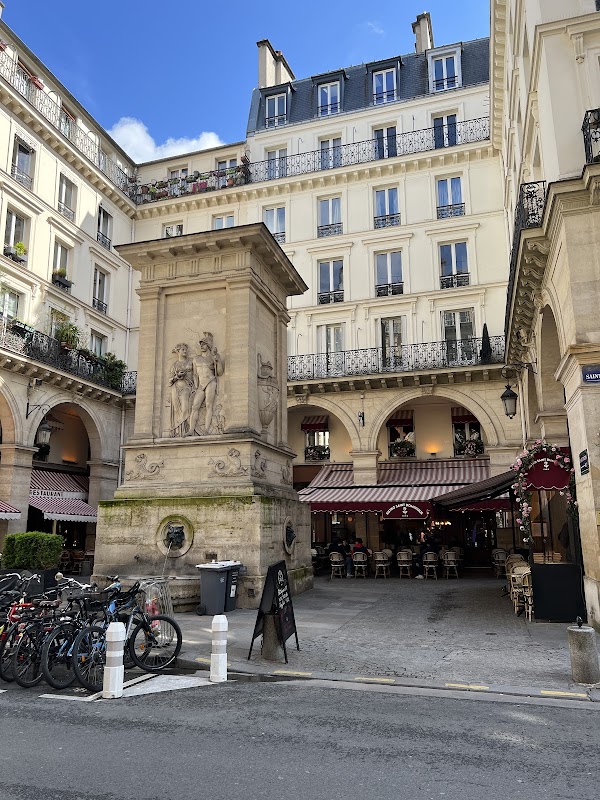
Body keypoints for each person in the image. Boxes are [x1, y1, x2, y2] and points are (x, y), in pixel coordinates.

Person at [187, 332, 224, 435]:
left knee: (209, 405)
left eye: (203, 344)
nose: (201, 346)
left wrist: (218, 361)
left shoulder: (213, 357)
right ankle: (191, 430)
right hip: (200, 385)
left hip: (210, 381)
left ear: (208, 346)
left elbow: (220, 372)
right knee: (195, 407)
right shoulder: (196, 359)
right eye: (201, 344)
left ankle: (207, 429)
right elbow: (194, 374)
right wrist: (195, 386)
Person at [169, 343, 194, 437]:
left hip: (187, 388)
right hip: (176, 389)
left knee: (185, 408)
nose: (185, 351)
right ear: (178, 351)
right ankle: (180, 431)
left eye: (185, 349)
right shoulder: (174, 365)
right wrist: (177, 376)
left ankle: (187, 429)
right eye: (183, 349)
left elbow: (195, 375)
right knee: (177, 410)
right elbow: (170, 381)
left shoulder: (191, 362)